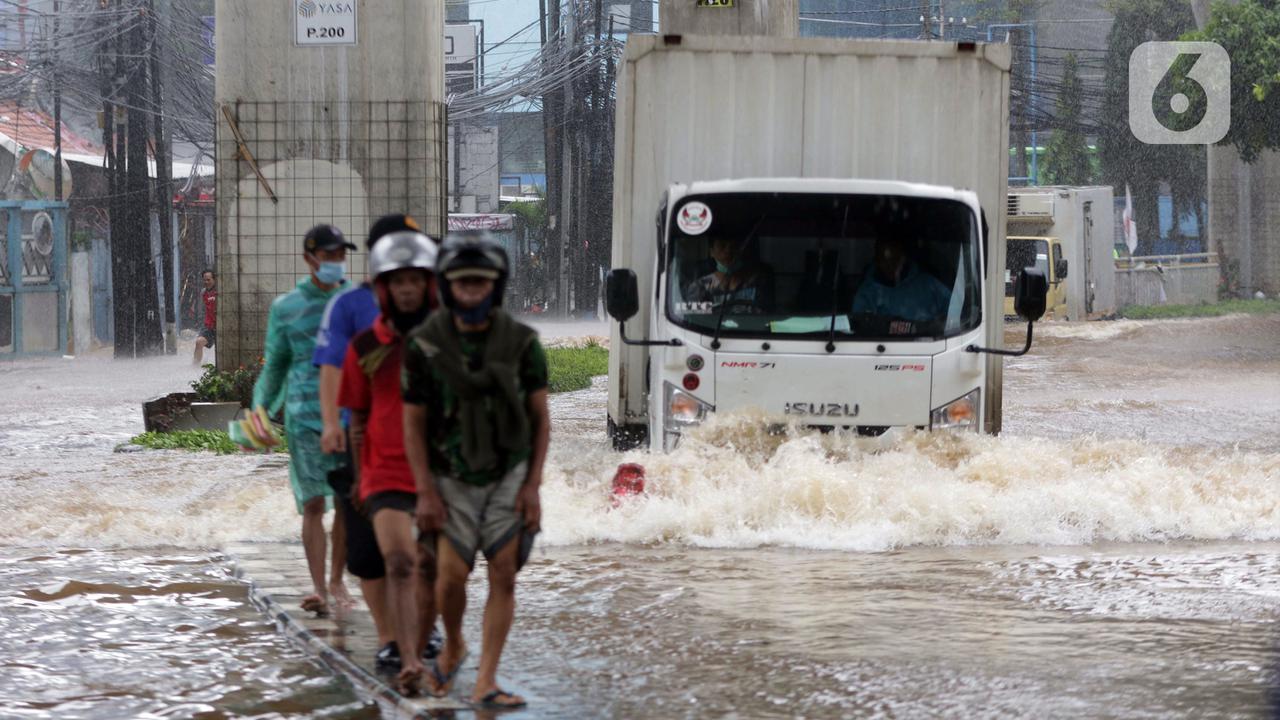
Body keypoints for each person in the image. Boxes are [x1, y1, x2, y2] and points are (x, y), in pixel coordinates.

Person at [402, 237, 551, 710]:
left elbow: (541, 419)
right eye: (462, 282)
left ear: (496, 287)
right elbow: (413, 423)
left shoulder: (523, 343)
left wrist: (532, 486)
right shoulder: (424, 346)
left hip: (509, 470)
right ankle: (454, 644)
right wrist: (424, 490)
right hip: (449, 474)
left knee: (503, 572)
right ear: (447, 287)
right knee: (449, 575)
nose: (470, 290)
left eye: (480, 282)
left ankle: (486, 679)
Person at [314, 214, 434, 670]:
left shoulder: (436, 307)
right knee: (370, 554)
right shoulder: (349, 307)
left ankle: (424, 631)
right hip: (364, 441)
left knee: (428, 551)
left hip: (432, 450)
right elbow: (331, 367)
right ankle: (388, 637)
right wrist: (331, 424)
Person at [253, 223, 356, 617]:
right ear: (309, 258)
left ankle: (337, 580)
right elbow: (274, 366)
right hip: (303, 416)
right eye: (328, 256)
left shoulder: (355, 300)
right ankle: (319, 588)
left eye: (340, 256)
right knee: (313, 502)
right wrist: (260, 408)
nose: (335, 263)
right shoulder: (286, 308)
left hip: (350, 416)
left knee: (347, 502)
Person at [852, 233, 951, 332]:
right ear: (877, 260)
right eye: (884, 259)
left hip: (934, 344)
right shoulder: (867, 292)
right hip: (881, 345)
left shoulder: (929, 285)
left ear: (904, 258)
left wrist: (935, 326)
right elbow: (861, 325)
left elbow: (956, 312)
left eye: (894, 259)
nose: (890, 265)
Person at [684, 236, 775, 312]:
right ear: (711, 252)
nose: (728, 251)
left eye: (734, 247)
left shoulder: (757, 283)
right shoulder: (700, 286)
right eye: (722, 246)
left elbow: (762, 317)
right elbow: (695, 319)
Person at [193, 270, 216, 366]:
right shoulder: (203, 293)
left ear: (214, 279)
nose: (206, 282)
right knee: (199, 342)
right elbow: (201, 309)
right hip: (209, 326)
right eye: (204, 280)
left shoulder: (221, 291)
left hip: (223, 325)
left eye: (208, 280)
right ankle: (194, 366)